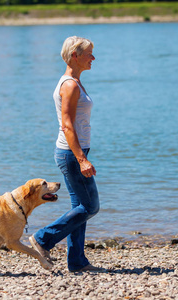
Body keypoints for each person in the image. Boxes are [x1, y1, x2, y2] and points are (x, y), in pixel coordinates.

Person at [29, 36, 102, 272]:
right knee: (90, 207)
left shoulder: (73, 82)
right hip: (71, 153)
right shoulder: (69, 85)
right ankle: (43, 239)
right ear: (74, 56)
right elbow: (67, 126)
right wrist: (81, 159)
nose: (93, 57)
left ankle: (77, 262)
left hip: (73, 151)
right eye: (89, 53)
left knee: (79, 208)